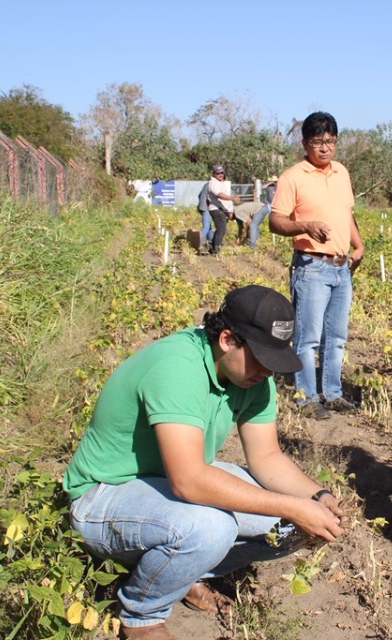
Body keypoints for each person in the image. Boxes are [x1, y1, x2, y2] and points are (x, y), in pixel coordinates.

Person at [63, 285, 347, 640]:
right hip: (104, 496)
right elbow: (189, 481)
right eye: (261, 357)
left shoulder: (253, 375)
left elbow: (267, 458)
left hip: (164, 490)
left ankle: (179, 572)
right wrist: (292, 506)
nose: (268, 371)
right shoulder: (177, 367)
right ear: (228, 339)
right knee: (212, 527)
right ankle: (142, 615)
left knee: (291, 527)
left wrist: (317, 497)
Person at [269, 111, 365, 420]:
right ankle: (307, 397)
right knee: (308, 338)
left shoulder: (341, 172)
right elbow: (276, 221)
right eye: (317, 142)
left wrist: (358, 244)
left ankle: (333, 393)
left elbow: (346, 214)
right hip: (311, 266)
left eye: (330, 141)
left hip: (340, 267)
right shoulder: (292, 177)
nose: (325, 148)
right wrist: (305, 226)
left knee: (336, 338)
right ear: (305, 143)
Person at [207, 165, 242, 255]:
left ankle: (213, 248)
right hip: (216, 209)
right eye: (218, 173)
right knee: (221, 230)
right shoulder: (213, 183)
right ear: (214, 173)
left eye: (222, 173)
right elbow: (219, 195)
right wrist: (232, 198)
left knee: (220, 229)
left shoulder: (219, 182)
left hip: (219, 209)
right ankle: (216, 249)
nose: (220, 174)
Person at [248, 176, 278, 249]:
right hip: (267, 206)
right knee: (254, 224)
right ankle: (253, 244)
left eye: (275, 181)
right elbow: (262, 187)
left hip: (276, 207)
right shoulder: (269, 186)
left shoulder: (280, 188)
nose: (274, 183)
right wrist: (270, 183)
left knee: (274, 226)